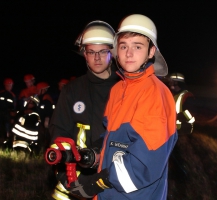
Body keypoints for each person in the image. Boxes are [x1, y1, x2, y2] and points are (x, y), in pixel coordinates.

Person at [61, 14, 178, 200]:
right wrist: (96, 152)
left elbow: (144, 165)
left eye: (137, 46)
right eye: (123, 46)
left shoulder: (155, 94)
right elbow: (111, 136)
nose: (128, 53)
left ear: (151, 52)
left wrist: (97, 182)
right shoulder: (118, 89)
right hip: (110, 193)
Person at [48, 20, 118, 200]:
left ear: (113, 52)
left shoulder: (124, 89)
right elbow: (59, 130)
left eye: (103, 51)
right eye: (91, 52)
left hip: (114, 177)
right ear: (84, 54)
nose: (97, 58)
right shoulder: (72, 90)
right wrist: (67, 174)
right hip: (78, 175)